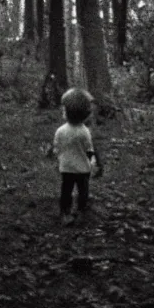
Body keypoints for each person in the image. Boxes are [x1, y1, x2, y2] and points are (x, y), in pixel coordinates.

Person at [46, 87, 102, 226]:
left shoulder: (60, 130)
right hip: (82, 168)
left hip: (66, 168)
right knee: (83, 190)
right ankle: (81, 210)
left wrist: (54, 155)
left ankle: (65, 212)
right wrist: (94, 163)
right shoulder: (84, 132)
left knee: (66, 190)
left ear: (69, 112)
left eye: (64, 109)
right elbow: (89, 150)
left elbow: (56, 147)